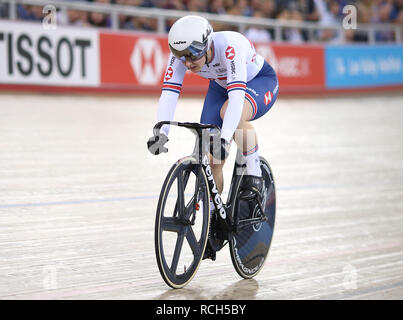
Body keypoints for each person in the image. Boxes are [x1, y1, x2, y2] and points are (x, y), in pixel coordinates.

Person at [147, 15, 279, 209]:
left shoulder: (230, 46)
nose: (188, 63)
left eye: (193, 55)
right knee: (213, 160)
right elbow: (169, 94)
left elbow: (235, 99)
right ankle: (213, 218)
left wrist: (225, 139)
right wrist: (161, 133)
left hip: (258, 81)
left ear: (208, 44)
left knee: (230, 115)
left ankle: (255, 175)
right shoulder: (181, 56)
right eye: (182, 57)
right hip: (220, 87)